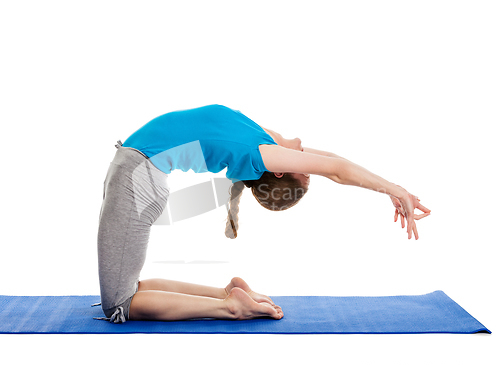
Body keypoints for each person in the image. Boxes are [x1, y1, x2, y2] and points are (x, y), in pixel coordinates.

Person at [97, 104, 431, 323]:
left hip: (135, 179)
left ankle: (229, 308)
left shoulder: (262, 152)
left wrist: (394, 189)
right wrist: (389, 187)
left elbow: (336, 170)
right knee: (132, 288)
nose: (305, 159)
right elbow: (330, 159)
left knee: (118, 305)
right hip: (136, 176)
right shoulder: (261, 138)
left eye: (303, 170)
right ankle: (227, 294)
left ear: (283, 170)